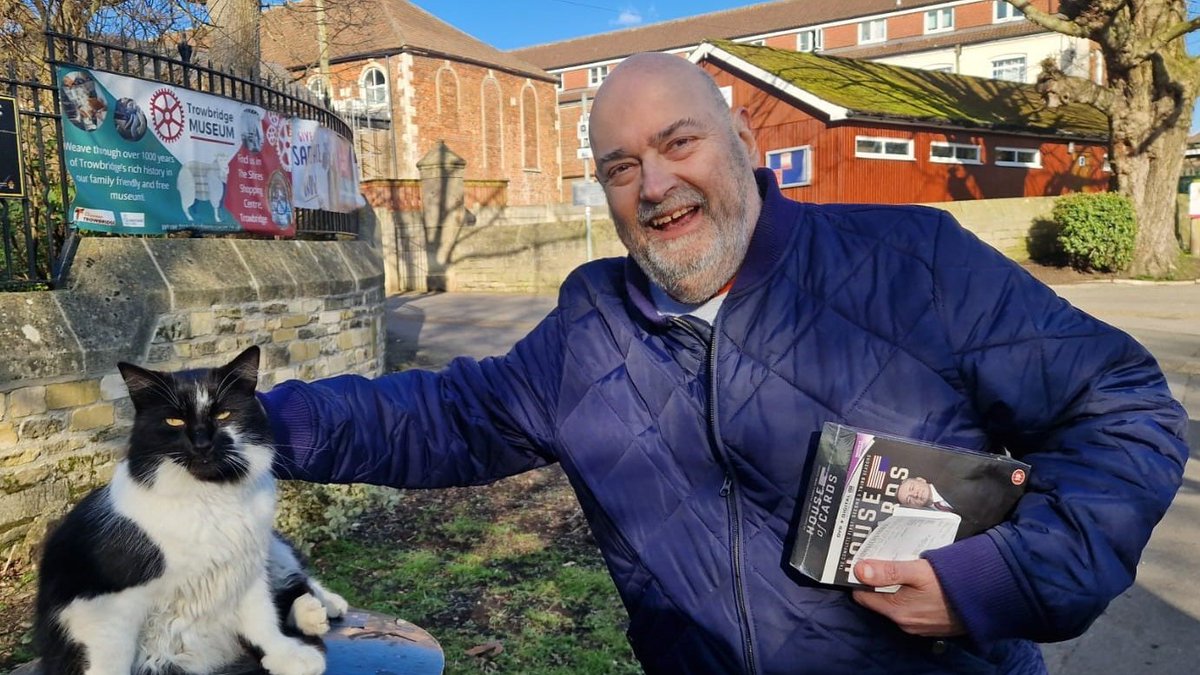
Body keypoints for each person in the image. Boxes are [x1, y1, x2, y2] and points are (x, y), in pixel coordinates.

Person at [259, 53, 1189, 674]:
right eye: (622, 167)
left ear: (743, 142)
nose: (655, 184)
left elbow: (1126, 410)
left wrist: (1006, 577)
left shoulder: (917, 263)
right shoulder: (590, 327)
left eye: (677, 143)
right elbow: (445, 418)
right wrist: (245, 428)